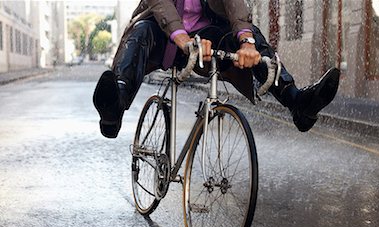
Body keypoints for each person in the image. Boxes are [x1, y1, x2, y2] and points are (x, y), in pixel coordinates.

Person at [93, 0, 340, 138]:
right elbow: (160, 4)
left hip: (207, 38)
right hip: (163, 34)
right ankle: (115, 106)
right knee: (139, 33)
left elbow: (235, 5)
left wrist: (246, 41)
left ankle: (297, 102)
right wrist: (181, 38)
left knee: (252, 35)